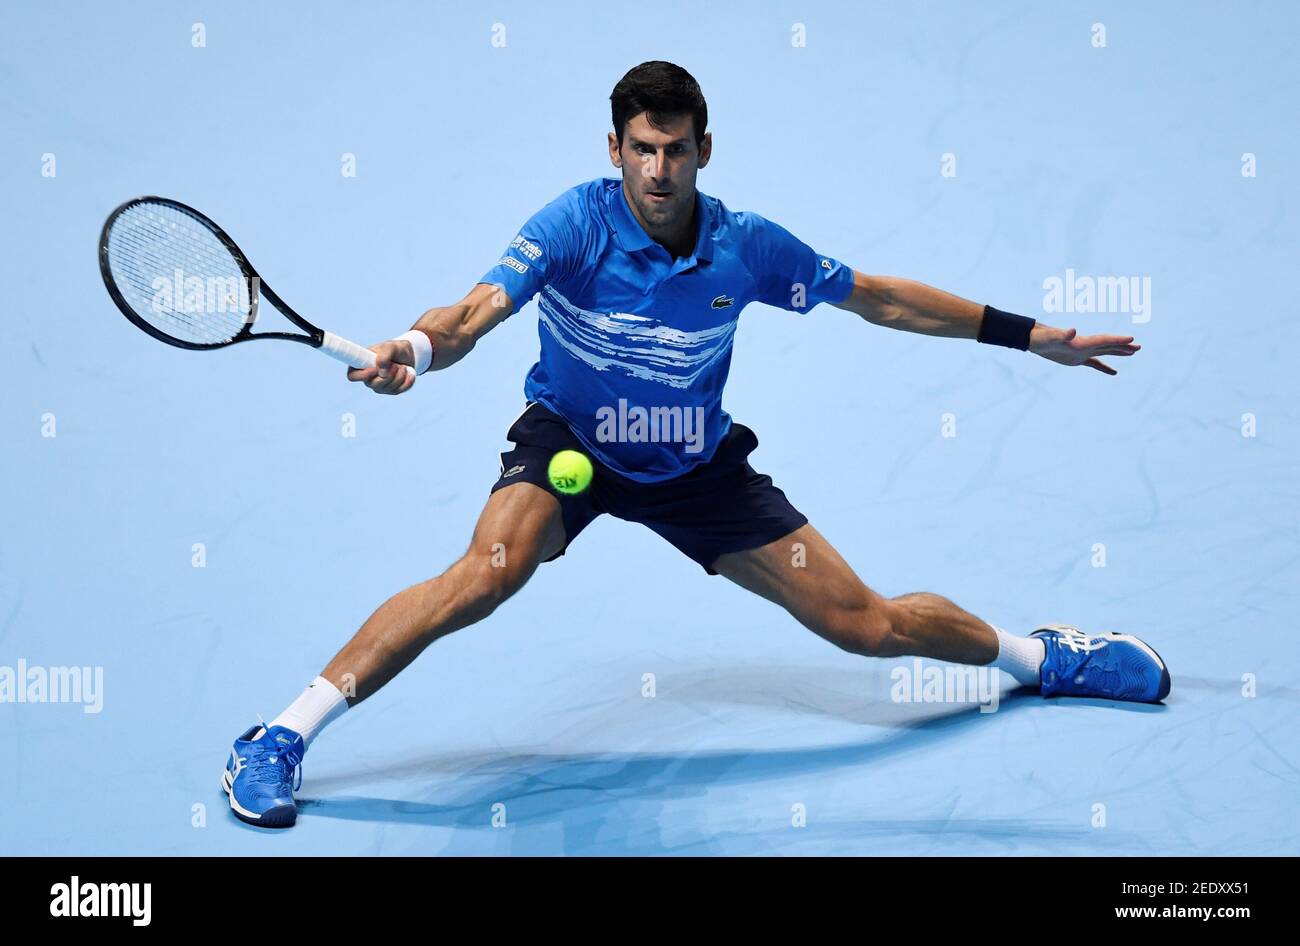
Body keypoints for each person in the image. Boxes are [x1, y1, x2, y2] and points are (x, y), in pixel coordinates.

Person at [222, 61, 1168, 829]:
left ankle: (1043, 659)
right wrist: (420, 351)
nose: (659, 170)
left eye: (675, 150)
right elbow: (476, 310)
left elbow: (878, 296)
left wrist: (1027, 335)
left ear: (704, 150)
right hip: (574, 450)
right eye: (641, 150)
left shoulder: (746, 247)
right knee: (488, 570)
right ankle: (280, 736)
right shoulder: (572, 226)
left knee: (867, 626)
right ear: (615, 149)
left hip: (693, 462)